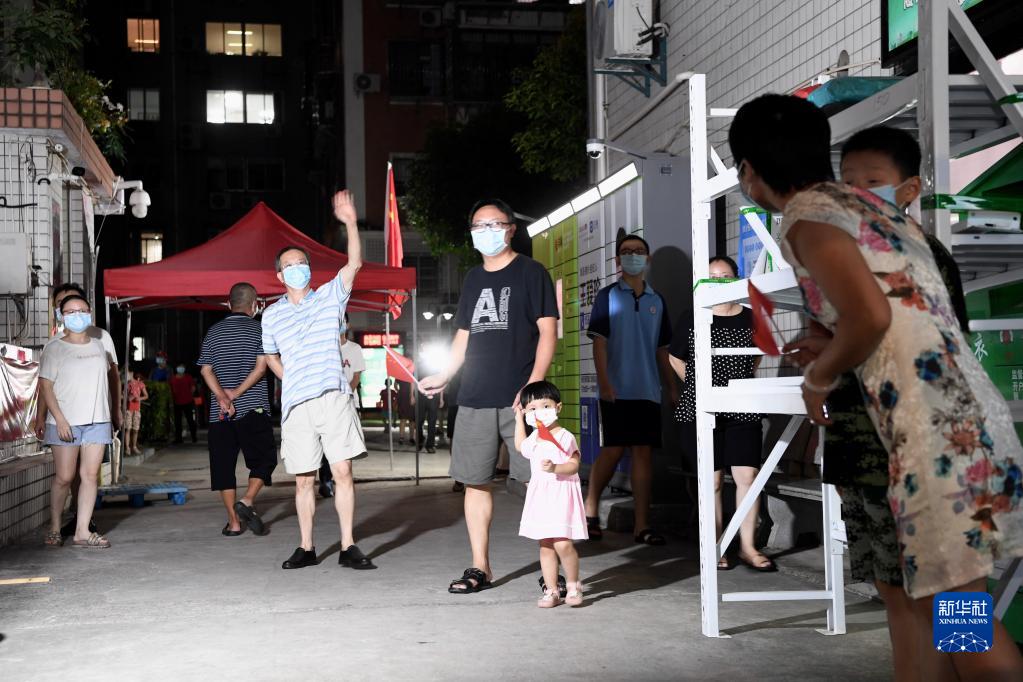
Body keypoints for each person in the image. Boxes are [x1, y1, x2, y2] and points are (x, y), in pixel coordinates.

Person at [730, 94, 1023, 680]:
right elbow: (894, 314)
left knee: (960, 625)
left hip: (933, 439)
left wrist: (818, 378)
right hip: (960, 427)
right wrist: (833, 340)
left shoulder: (808, 219)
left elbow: (871, 316)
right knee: (937, 609)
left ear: (748, 171)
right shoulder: (867, 208)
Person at [786, 126, 972, 681]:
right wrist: (828, 348)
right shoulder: (862, 253)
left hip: (920, 455)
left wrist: (826, 365)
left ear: (909, 189)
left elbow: (913, 346)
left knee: (958, 612)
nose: (857, 193)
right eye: (848, 182)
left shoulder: (911, 254)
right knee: (900, 595)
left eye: (873, 181)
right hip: (874, 455)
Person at [420, 197, 558, 595]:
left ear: (511, 229)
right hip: (475, 397)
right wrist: (446, 374)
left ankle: (553, 569)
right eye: (479, 226)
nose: (486, 232)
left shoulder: (531, 272)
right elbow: (464, 335)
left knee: (539, 482)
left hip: (523, 402)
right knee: (475, 483)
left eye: (494, 224)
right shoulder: (473, 278)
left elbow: (548, 331)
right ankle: (480, 567)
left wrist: (533, 386)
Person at [262, 190, 375, 571]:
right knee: (303, 479)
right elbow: (270, 356)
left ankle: (348, 545)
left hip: (332, 397)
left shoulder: (329, 297)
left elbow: (354, 263)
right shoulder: (271, 315)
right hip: (297, 405)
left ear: (309, 270)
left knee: (342, 471)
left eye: (302, 263)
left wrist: (351, 223)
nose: (298, 269)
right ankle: (307, 547)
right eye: (290, 266)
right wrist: (290, 377)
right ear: (280, 276)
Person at [670, 256, 774, 571]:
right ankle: (715, 546)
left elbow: (755, 357)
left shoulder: (751, 317)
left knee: (747, 477)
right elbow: (675, 357)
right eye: (712, 276)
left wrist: (736, 381)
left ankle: (748, 546)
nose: (719, 282)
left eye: (725, 276)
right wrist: (698, 386)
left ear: (737, 278)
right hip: (702, 407)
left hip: (741, 404)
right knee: (712, 481)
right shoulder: (694, 315)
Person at [584, 234, 676, 546]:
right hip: (616, 389)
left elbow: (662, 349)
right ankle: (590, 510)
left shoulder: (657, 300)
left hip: (648, 389)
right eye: (626, 252)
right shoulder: (607, 296)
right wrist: (604, 382)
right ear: (617, 261)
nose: (632, 255)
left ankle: (642, 526)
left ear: (647, 259)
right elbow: (599, 343)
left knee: (643, 453)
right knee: (613, 449)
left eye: (638, 251)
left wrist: (672, 387)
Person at [35, 282, 121, 538]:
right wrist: (52, 418)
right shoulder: (54, 347)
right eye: (70, 311)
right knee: (65, 476)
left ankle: (83, 530)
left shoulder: (99, 343)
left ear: (90, 312)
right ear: (61, 314)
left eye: (82, 311)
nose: (77, 316)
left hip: (97, 420)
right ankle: (54, 527)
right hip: (65, 422)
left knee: (90, 475)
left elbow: (111, 378)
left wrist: (114, 411)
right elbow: (46, 386)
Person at [198, 282, 276, 537]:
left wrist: (222, 396)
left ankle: (233, 523)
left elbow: (205, 370)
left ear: (228, 303)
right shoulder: (260, 330)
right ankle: (247, 500)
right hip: (253, 408)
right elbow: (261, 368)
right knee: (265, 459)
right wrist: (236, 393)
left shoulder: (213, 332)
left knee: (223, 467)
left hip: (220, 413)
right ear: (254, 305)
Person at [514, 381, 587, 608]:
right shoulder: (534, 438)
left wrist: (555, 468)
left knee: (563, 544)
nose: (539, 412)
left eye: (545, 406)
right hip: (541, 497)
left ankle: (573, 585)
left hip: (561, 496)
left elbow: (574, 465)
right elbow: (520, 446)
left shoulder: (565, 436)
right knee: (545, 545)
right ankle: (552, 590)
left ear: (558, 407)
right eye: (532, 408)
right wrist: (518, 420)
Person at [319, 315, 366, 498]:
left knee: (345, 447)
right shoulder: (325, 348)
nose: (339, 325)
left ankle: (343, 481)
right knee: (325, 445)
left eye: (342, 321)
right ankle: (326, 480)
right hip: (327, 405)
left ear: (347, 324)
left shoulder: (354, 349)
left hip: (347, 404)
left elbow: (356, 377)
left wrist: (345, 395)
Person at [169, 364, 198, 444]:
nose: (181, 369)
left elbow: (193, 388)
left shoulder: (188, 377)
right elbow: (171, 390)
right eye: (179, 367)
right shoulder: (172, 378)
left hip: (188, 402)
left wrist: (189, 395)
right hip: (177, 402)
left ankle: (194, 437)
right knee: (178, 422)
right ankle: (179, 438)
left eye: (182, 367)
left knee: (190, 420)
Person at [123, 371, 148, 455]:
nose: (126, 376)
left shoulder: (140, 384)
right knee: (128, 429)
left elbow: (146, 395)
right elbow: (122, 396)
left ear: (131, 373)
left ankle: (134, 446)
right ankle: (127, 448)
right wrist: (127, 398)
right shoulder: (126, 384)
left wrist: (139, 398)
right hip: (128, 410)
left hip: (137, 410)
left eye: (127, 373)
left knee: (136, 429)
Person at [396, 379, 416, 445]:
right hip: (403, 397)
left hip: (411, 397)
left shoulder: (412, 375)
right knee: (403, 418)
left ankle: (411, 437)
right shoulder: (400, 375)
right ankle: (401, 437)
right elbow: (395, 384)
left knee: (412, 419)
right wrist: (399, 392)